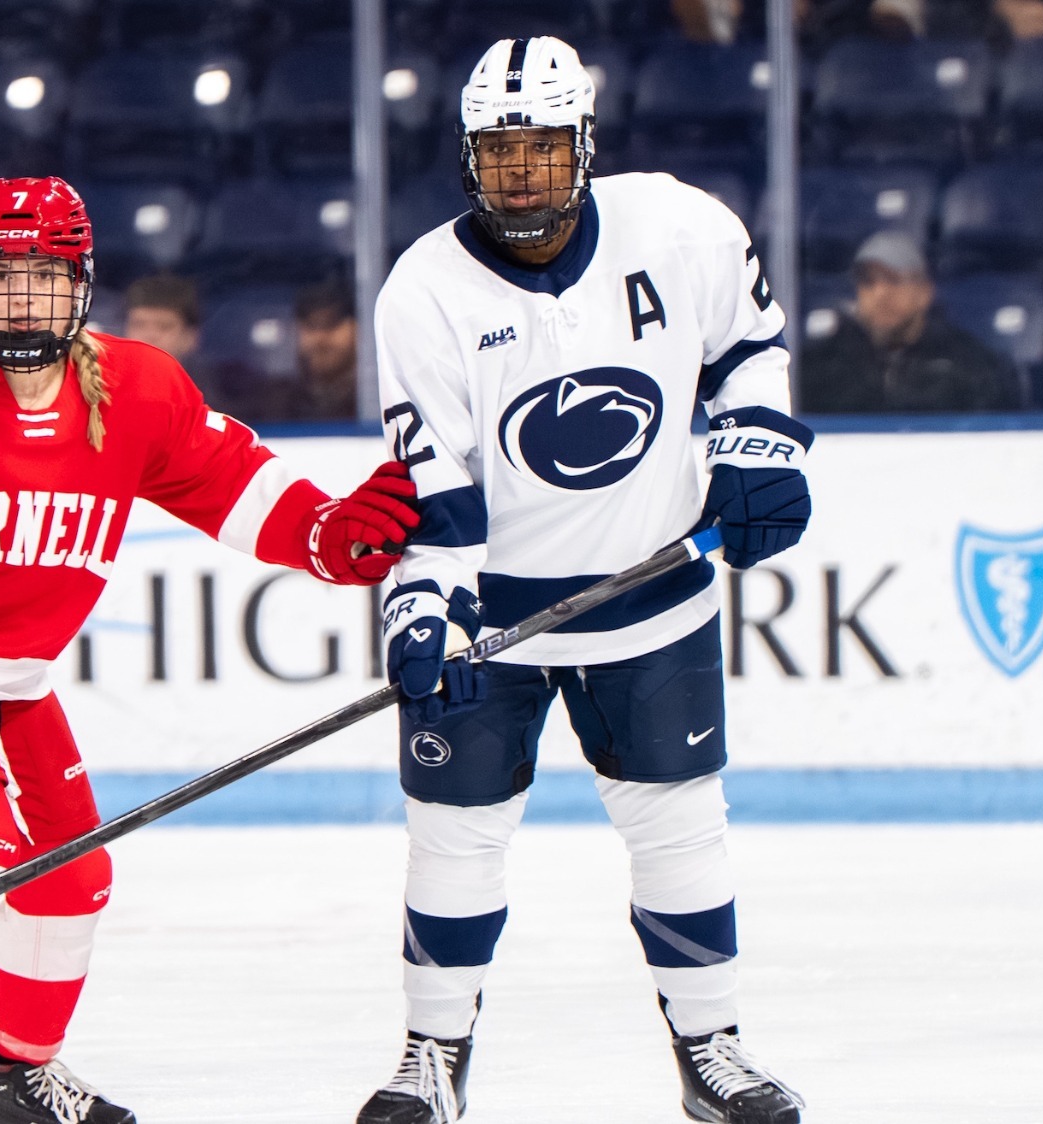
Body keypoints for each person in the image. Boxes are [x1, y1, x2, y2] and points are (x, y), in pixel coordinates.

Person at [0, 176, 421, 1124]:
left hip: (7, 668)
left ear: (84, 283)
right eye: (3, 278)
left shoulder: (138, 388)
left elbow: (232, 481)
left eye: (46, 279)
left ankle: (19, 1074)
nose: (24, 301)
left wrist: (324, 534)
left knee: (71, 870)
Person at [361, 37, 808, 1124]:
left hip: (651, 604)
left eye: (543, 147)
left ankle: (711, 1048)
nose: (521, 172)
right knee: (453, 835)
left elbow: (748, 348)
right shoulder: (422, 290)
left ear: (583, 144)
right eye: (498, 150)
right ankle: (432, 1055)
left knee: (679, 825)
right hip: (498, 618)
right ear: (466, 155)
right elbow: (440, 491)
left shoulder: (679, 225)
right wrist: (424, 607)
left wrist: (758, 445)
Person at [800, 232, 1022, 413]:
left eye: (893, 280)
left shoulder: (969, 366)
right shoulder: (820, 367)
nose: (880, 294)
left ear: (925, 292)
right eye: (868, 282)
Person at [120, 273, 254, 417]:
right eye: (139, 325)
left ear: (191, 337)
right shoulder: (104, 387)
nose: (150, 335)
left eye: (164, 327)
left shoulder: (214, 399)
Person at [256, 277, 360, 422]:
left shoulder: (374, 397)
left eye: (331, 324)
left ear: (357, 327)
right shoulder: (275, 401)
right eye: (311, 326)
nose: (320, 339)